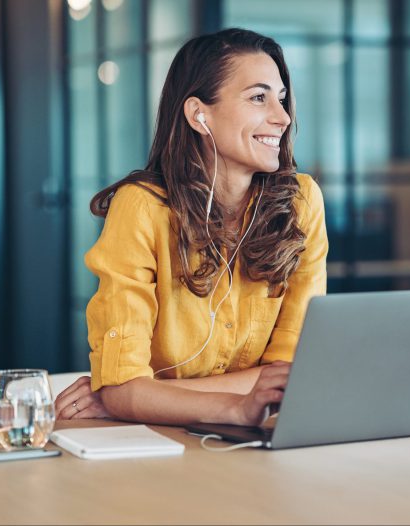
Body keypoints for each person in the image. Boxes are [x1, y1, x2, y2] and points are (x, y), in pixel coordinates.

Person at [54, 28, 328, 426]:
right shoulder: (143, 207)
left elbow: (289, 378)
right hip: (159, 449)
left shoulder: (302, 203)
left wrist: (140, 398)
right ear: (200, 114)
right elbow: (124, 386)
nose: (282, 118)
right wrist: (233, 403)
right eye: (258, 97)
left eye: (281, 99)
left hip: (255, 446)